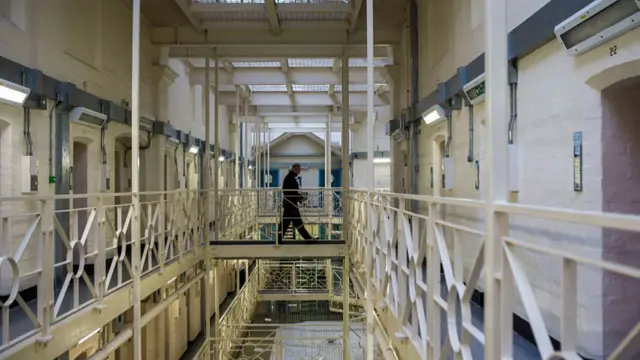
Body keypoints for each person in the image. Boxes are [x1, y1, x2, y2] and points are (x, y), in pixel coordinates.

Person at [278, 163, 314, 241]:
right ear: (295, 169)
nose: (300, 171)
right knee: (296, 223)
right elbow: (292, 193)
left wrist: (299, 197)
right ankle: (308, 239)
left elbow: (290, 192)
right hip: (291, 205)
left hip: (289, 204)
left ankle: (278, 239)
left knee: (286, 223)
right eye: (299, 170)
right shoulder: (290, 178)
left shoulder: (289, 178)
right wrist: (301, 198)